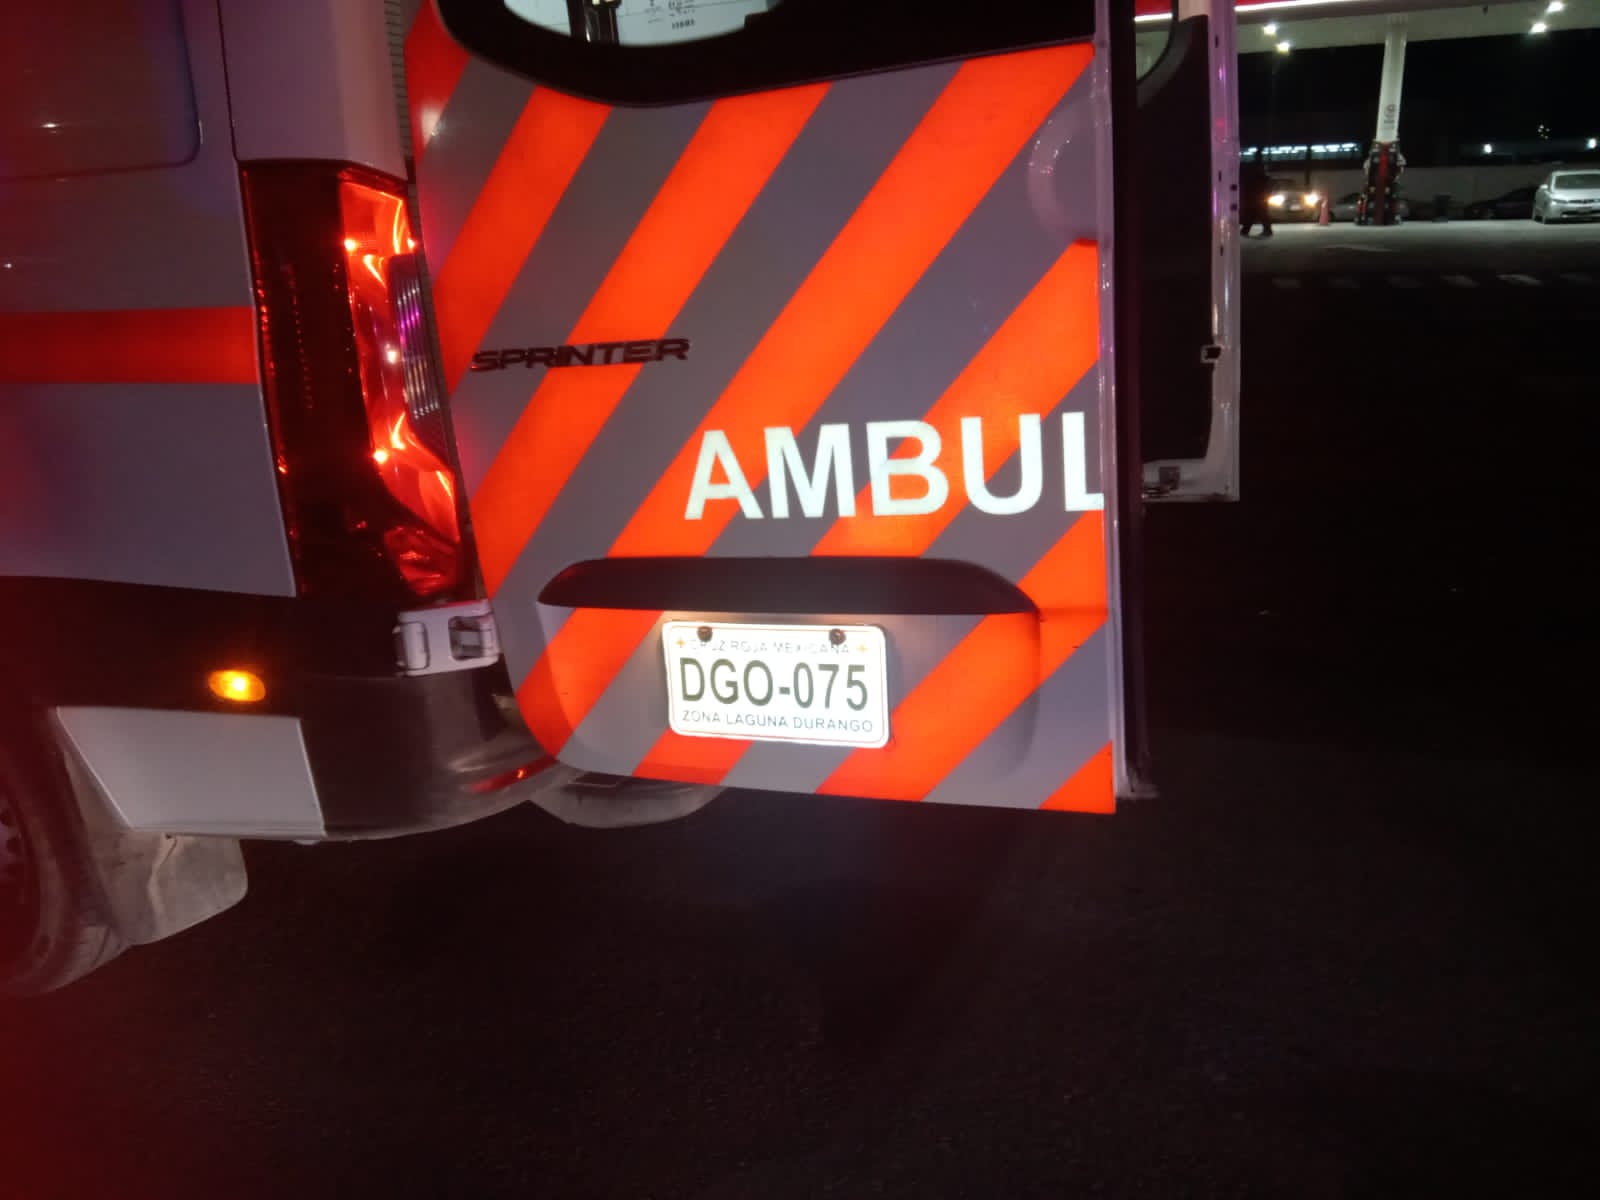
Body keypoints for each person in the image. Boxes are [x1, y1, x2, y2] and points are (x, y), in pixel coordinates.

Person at [1240, 154, 1274, 237]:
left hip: (1257, 198)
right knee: (1257, 214)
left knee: (1254, 214)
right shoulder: (1262, 177)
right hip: (1259, 198)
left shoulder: (1256, 176)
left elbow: (1263, 187)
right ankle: (1246, 230)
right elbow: (1268, 187)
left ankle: (1246, 230)